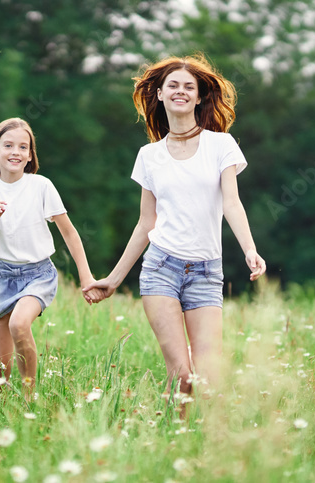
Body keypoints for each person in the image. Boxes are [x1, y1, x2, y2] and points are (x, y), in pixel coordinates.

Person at [83, 55, 267, 401]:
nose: (181, 91)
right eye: (173, 85)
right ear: (161, 94)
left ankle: (198, 444)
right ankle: (175, 440)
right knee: (182, 376)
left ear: (199, 97)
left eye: (189, 87)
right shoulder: (149, 155)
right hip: (160, 270)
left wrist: (250, 249)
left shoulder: (221, 145)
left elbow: (232, 203)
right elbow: (145, 224)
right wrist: (113, 278)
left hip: (206, 273)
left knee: (206, 375)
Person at [0, 117, 101, 393]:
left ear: (30, 155)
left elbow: (70, 233)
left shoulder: (41, 186)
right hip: (0, 276)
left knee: (19, 323)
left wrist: (85, 276)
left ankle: (30, 397)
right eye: (8, 145)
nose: (15, 151)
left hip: (37, 275)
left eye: (23, 147)